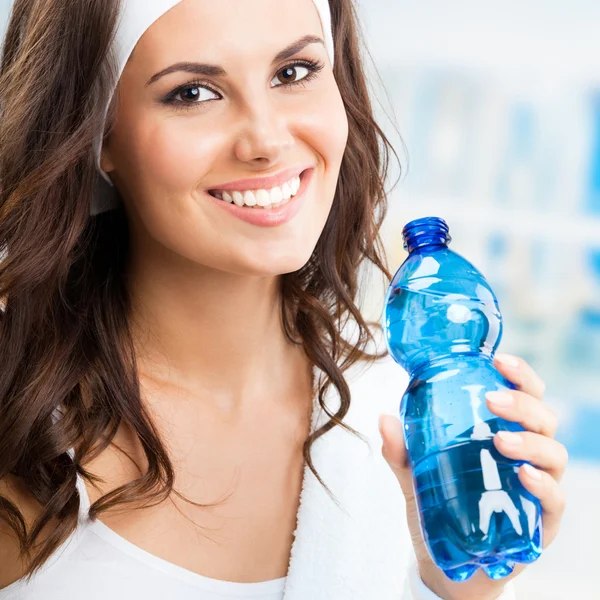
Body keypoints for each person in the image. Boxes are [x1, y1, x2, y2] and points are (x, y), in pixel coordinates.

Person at [0, 1, 568, 598]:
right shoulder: (22, 418)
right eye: (193, 93)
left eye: (293, 72)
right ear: (98, 132)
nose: (267, 140)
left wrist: (456, 589)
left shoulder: (402, 418)